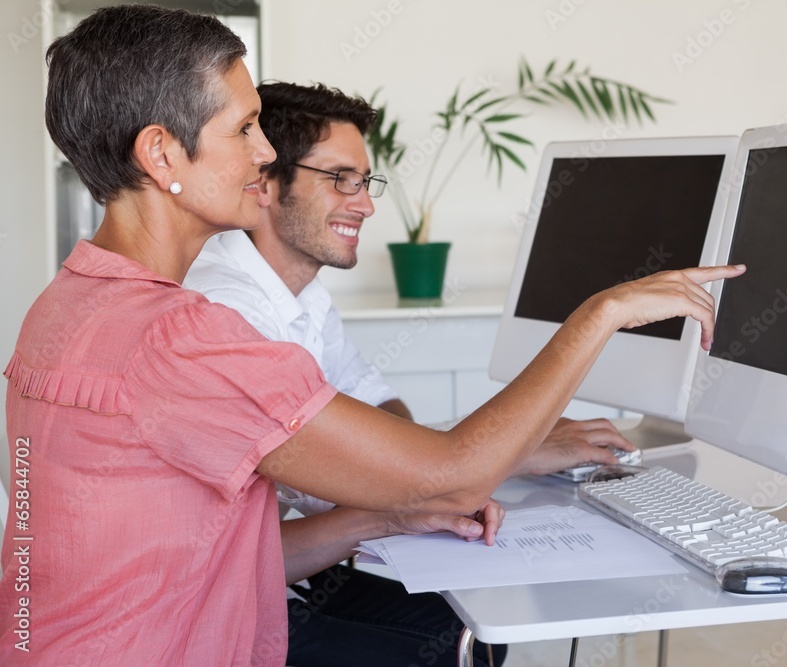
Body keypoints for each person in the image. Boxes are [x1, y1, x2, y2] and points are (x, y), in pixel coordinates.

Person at [0, 5, 744, 666]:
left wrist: (392, 510)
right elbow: (450, 471)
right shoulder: (186, 338)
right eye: (244, 128)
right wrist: (599, 315)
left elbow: (217, 559)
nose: (264, 154)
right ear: (161, 153)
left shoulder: (68, 303)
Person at [183, 81, 641, 666]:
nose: (366, 203)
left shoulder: (299, 295)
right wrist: (496, 457)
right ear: (266, 180)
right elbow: (346, 474)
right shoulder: (229, 310)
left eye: (365, 181)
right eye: (339, 178)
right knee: (454, 648)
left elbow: (380, 408)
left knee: (473, 624)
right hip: (209, 614)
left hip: (271, 576)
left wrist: (423, 468)